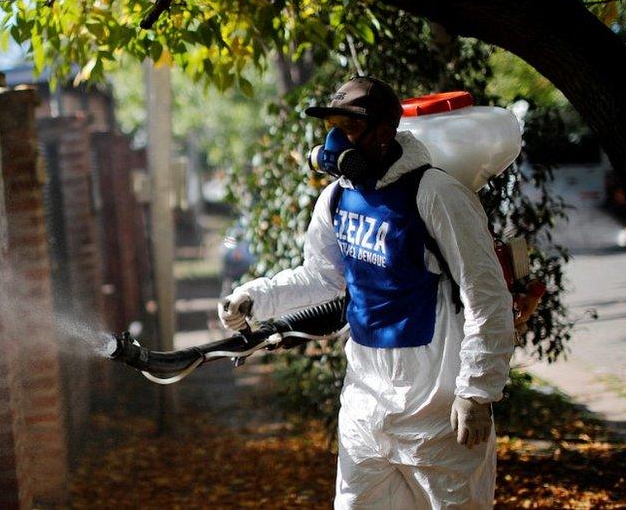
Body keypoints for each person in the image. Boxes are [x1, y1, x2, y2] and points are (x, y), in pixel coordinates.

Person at [219, 76, 516, 508]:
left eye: (351, 126)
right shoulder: (337, 199)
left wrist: (476, 391)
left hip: (436, 408)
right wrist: (255, 296)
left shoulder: (436, 194)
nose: (337, 138)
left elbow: (486, 296)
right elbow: (321, 277)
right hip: (365, 405)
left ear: (384, 133)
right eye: (334, 125)